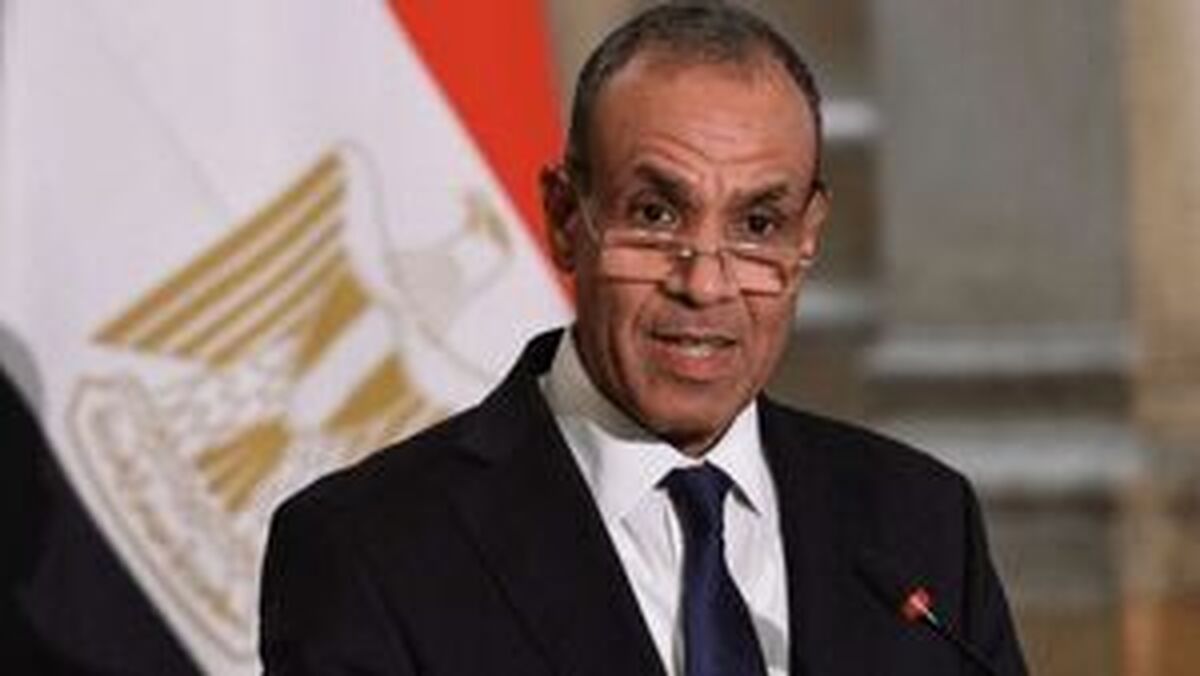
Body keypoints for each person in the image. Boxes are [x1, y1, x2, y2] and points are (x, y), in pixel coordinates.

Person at [259, 2, 1028, 674]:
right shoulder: (371, 550)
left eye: (758, 225)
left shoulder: (919, 523)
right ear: (567, 218)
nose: (706, 284)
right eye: (656, 215)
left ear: (807, 239)